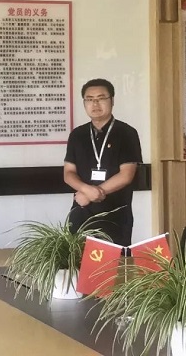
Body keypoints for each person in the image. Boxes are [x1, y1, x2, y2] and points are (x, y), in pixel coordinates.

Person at [63, 78, 142, 246]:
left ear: (112, 101)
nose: (95, 104)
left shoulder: (126, 133)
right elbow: (68, 173)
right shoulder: (77, 135)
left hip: (115, 215)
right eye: (89, 99)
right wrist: (86, 190)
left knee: (114, 261)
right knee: (77, 259)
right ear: (84, 103)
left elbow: (126, 175)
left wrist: (93, 193)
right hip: (81, 211)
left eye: (101, 98)